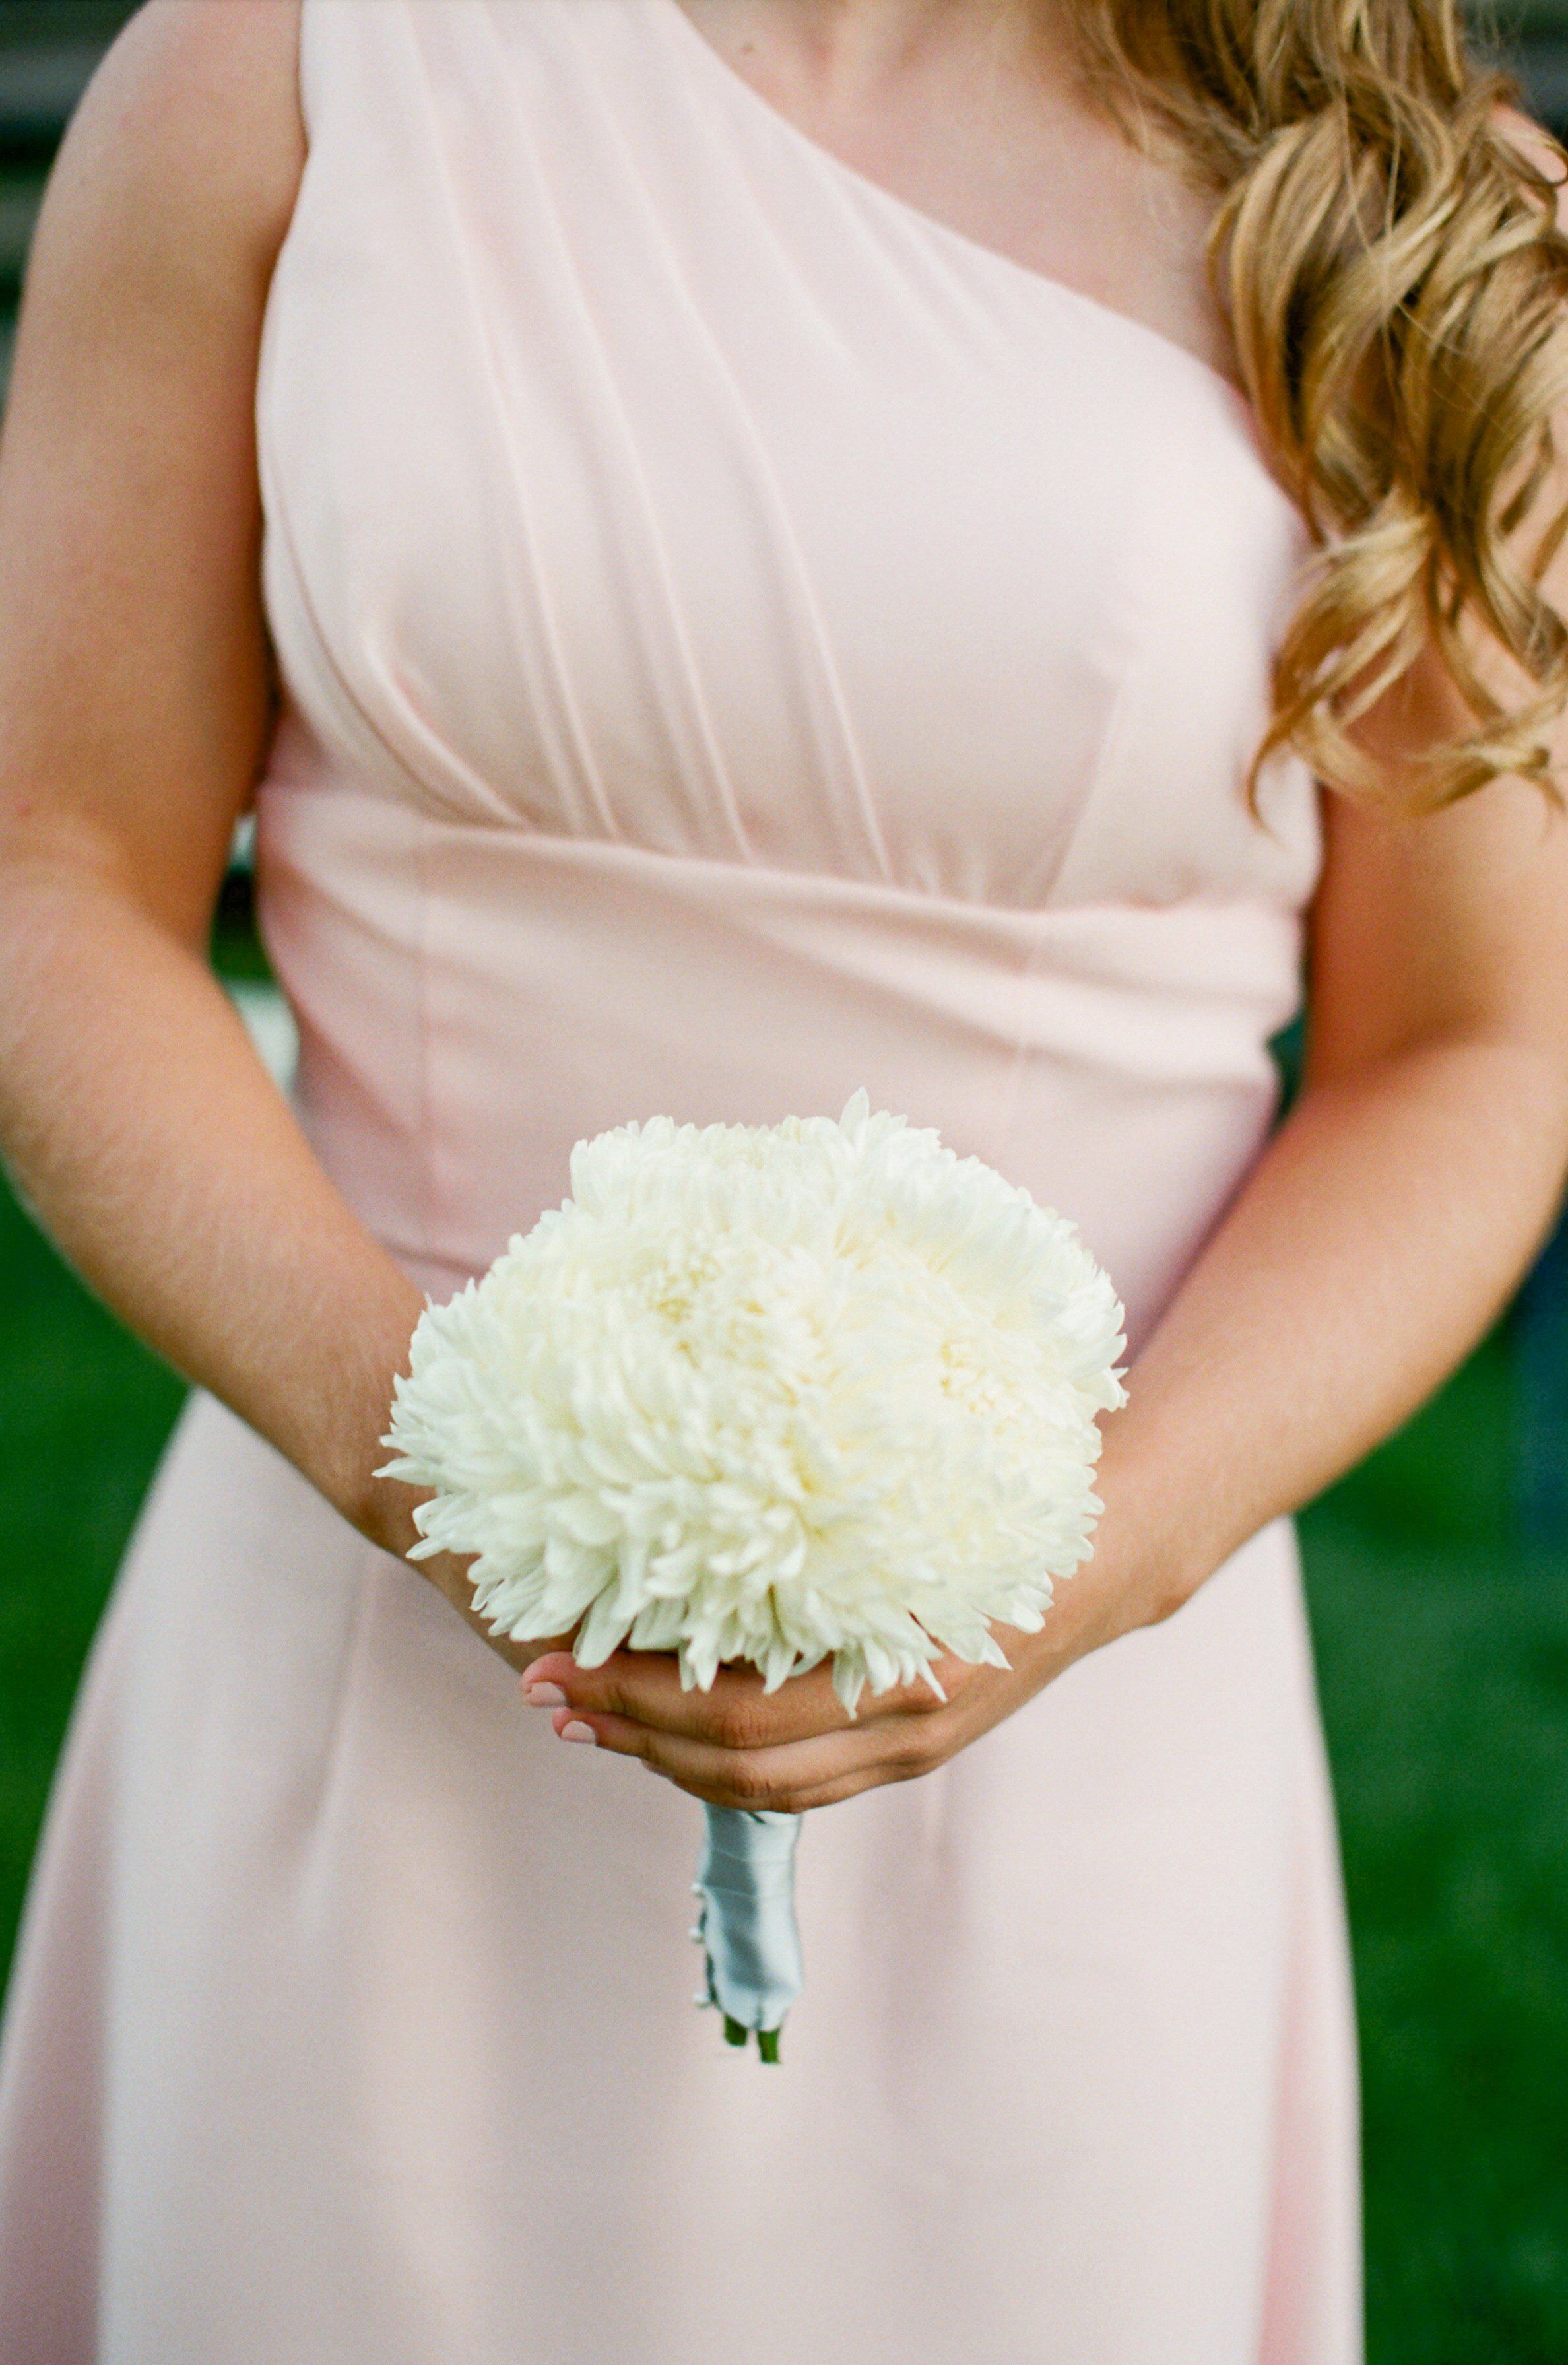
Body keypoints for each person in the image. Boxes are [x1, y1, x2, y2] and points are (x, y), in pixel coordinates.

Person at [1, 1, 1567, 2358]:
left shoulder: (1397, 202)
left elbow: (1471, 1054)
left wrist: (1091, 1554)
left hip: (1070, 1739)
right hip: (367, 1664)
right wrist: (443, 1465)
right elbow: (52, 876)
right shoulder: (274, 72)